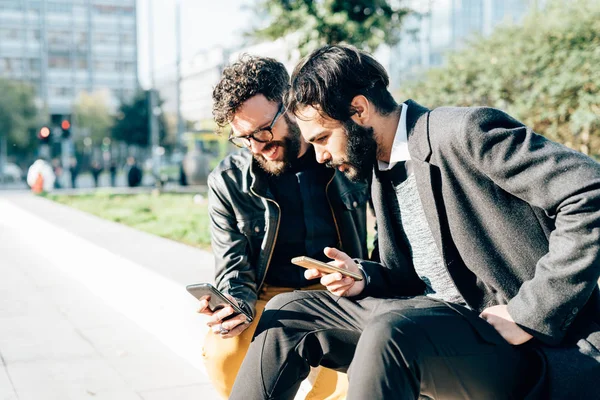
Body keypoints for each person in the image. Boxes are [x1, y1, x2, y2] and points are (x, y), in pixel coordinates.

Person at [230, 45, 600, 399]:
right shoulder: (378, 166)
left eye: (324, 137)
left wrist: (530, 312)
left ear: (358, 110)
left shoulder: (464, 132)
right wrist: (364, 277)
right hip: (430, 322)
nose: (321, 154)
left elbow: (590, 191)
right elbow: (414, 276)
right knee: (289, 312)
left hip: (513, 341)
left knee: (392, 332)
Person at [203, 54, 371, 399]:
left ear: (290, 103)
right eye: (243, 138)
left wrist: (367, 277)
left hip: (337, 291)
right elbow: (233, 267)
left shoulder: (340, 152)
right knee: (224, 356)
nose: (257, 147)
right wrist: (234, 304)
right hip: (265, 295)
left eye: (264, 130)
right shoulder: (227, 180)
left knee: (345, 380)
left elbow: (386, 235)